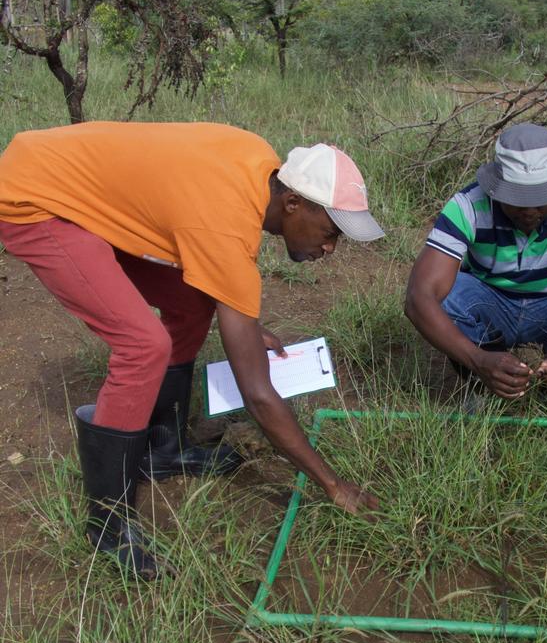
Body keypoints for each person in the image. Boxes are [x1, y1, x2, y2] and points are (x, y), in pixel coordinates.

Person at [0, 122, 384, 580]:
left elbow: (207, 248)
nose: (329, 247)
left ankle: (164, 449)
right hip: (36, 199)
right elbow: (259, 396)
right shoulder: (225, 223)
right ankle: (107, 526)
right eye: (330, 232)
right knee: (142, 345)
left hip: (84, 192)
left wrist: (245, 325)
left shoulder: (261, 166)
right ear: (292, 202)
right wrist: (333, 484)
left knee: (193, 302)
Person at [405, 122, 547, 400]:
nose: (530, 210)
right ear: (496, 188)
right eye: (518, 199)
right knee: (443, 299)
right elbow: (419, 296)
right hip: (491, 300)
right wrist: (477, 360)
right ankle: (480, 382)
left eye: (540, 198)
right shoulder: (468, 203)